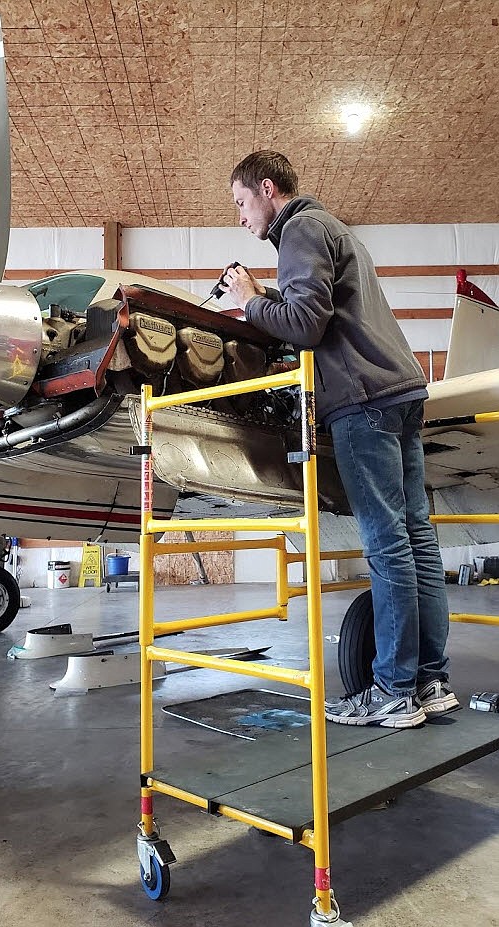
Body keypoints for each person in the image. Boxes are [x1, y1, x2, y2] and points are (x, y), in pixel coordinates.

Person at [220, 149, 458, 728]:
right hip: (398, 391)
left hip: (363, 402)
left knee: (388, 545)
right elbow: (321, 315)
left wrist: (248, 301)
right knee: (415, 539)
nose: (240, 217)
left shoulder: (299, 227)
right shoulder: (333, 229)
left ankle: (395, 691)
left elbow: (305, 324)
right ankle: (428, 682)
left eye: (241, 203)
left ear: (268, 189)